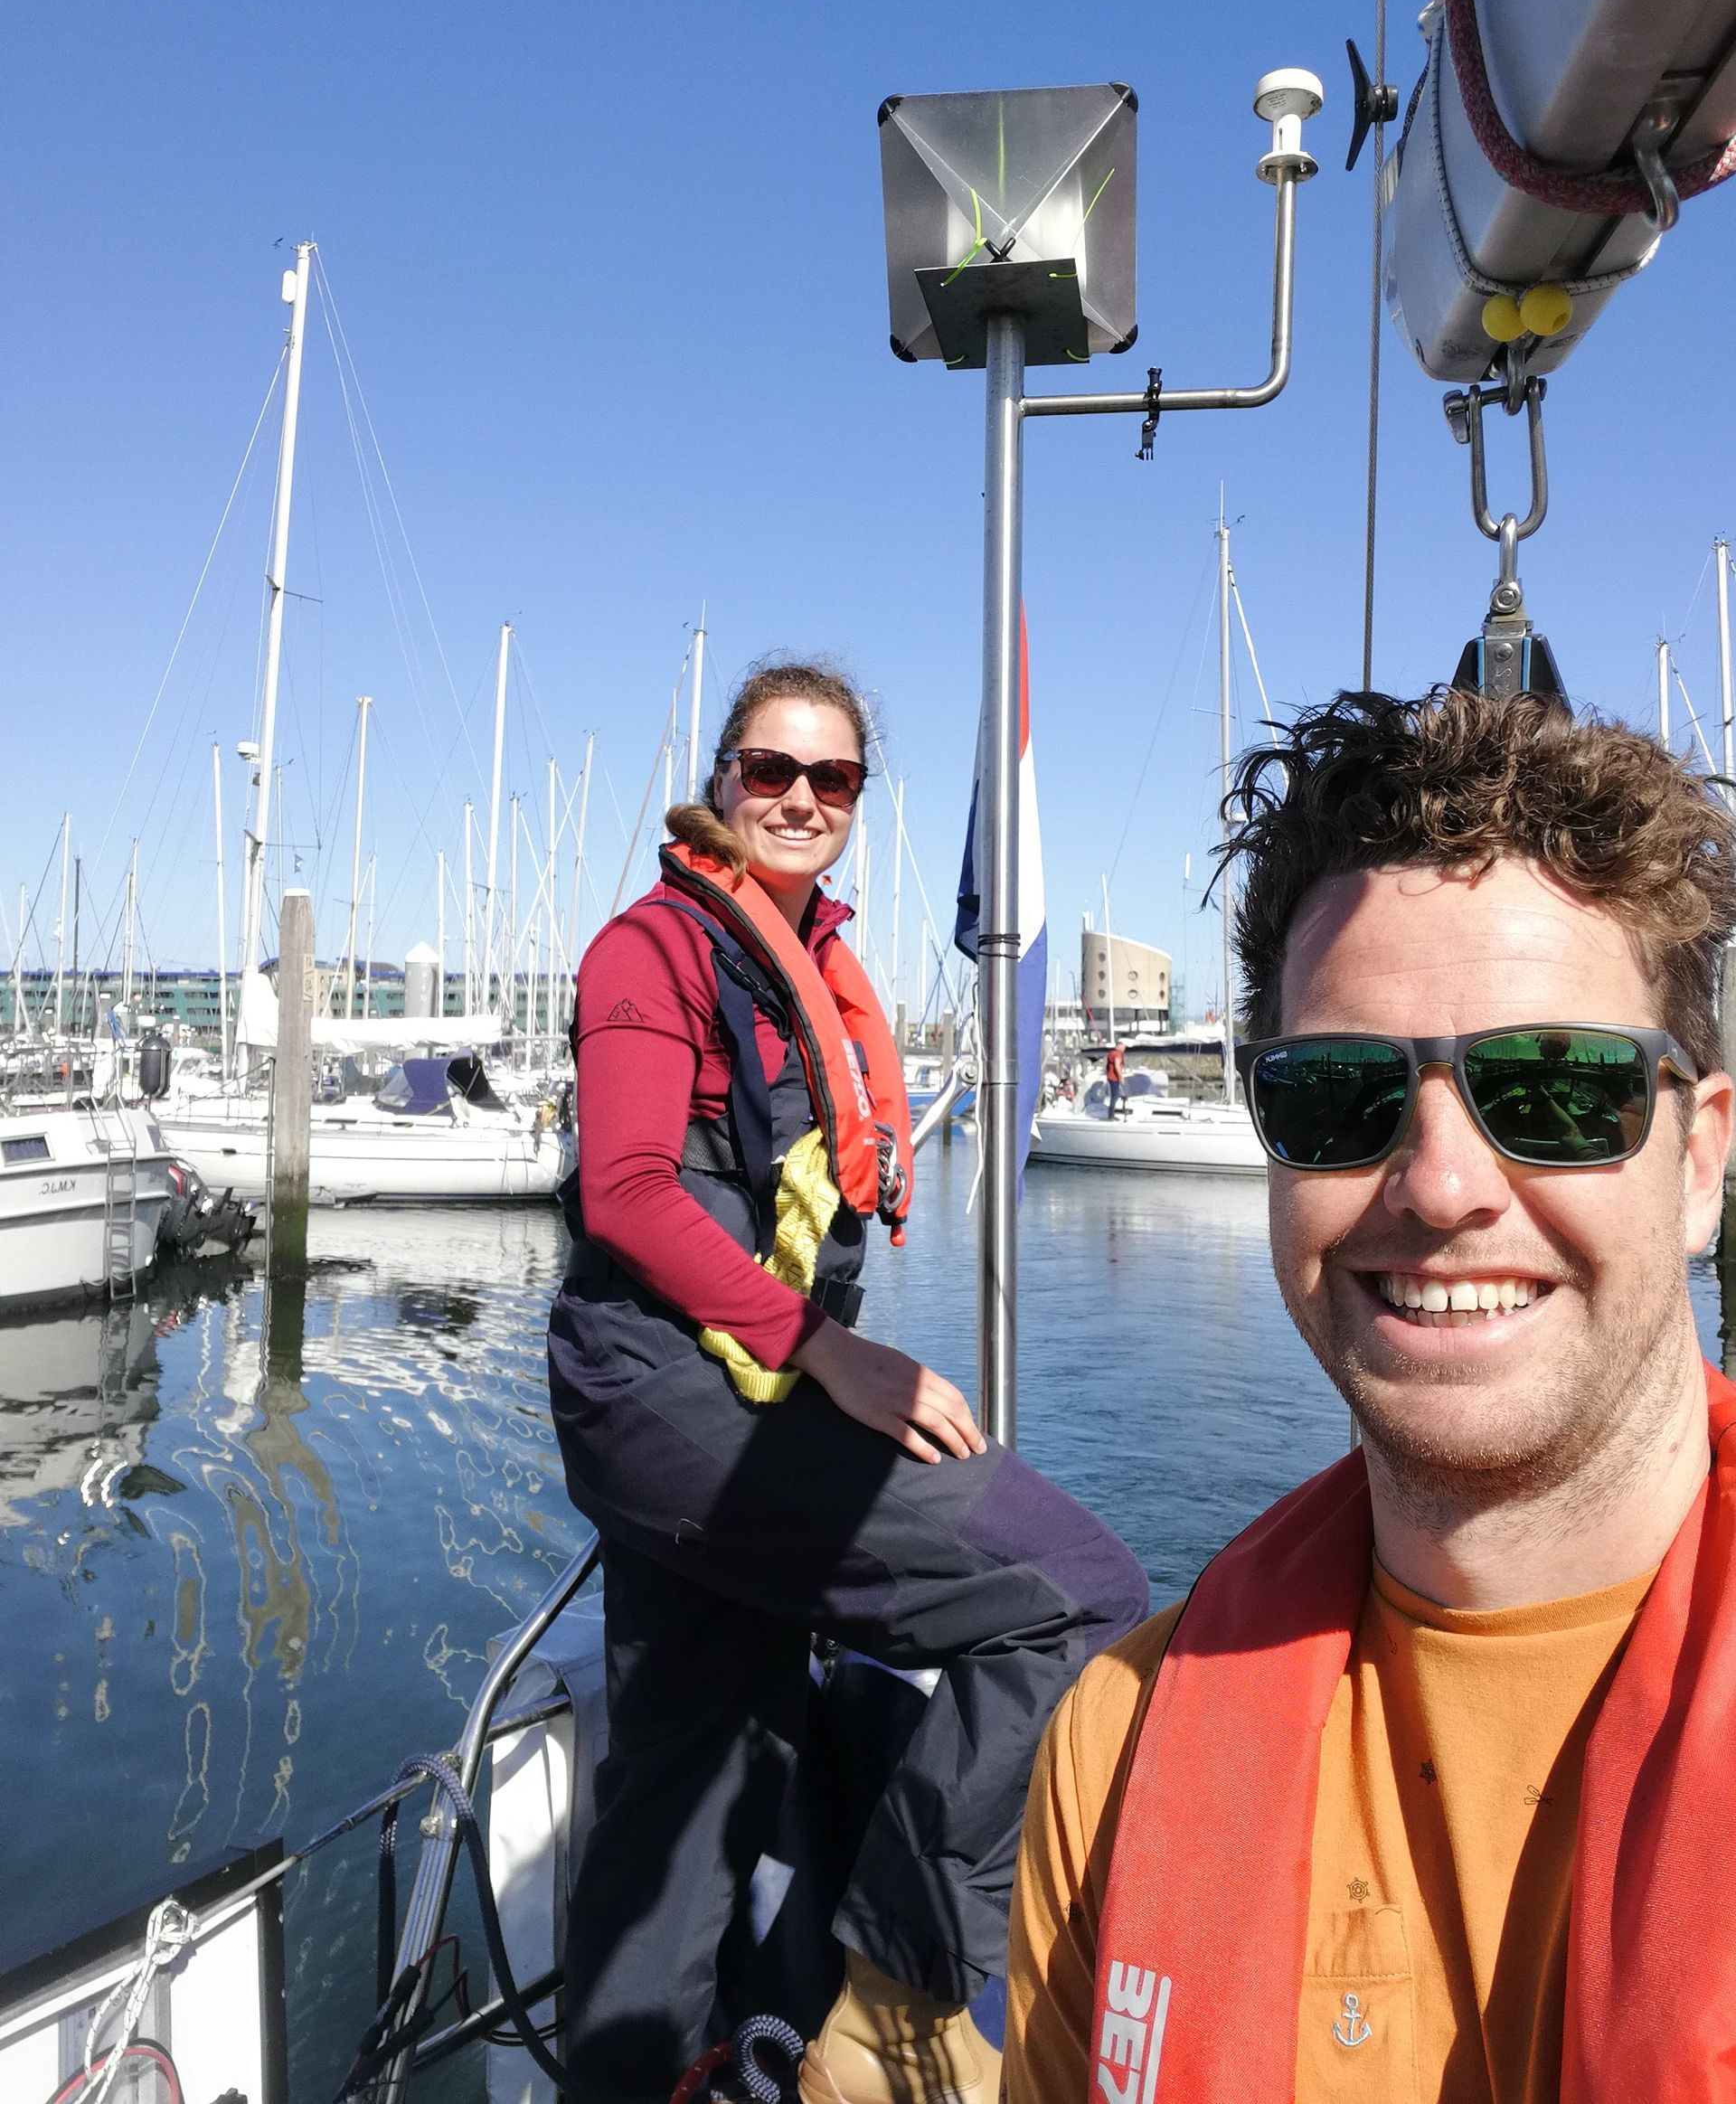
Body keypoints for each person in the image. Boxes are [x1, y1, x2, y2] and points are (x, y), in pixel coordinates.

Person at [1005, 688, 1736, 2103]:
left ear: (1700, 1160)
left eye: (1558, 1089)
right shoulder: (1119, 1743)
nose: (1444, 1185)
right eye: (1342, 1095)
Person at [547, 657, 1148, 2104]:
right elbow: (629, 1195)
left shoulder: (804, 958)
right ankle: (890, 1987)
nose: (802, 800)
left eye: (835, 779)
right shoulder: (653, 953)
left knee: (694, 1758)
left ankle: (653, 2076)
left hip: (733, 1397)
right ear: (723, 776)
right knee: (1075, 1588)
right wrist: (825, 1349)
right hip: (669, 1399)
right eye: (772, 771)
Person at [1104, 1043, 1126, 1118]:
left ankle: (1111, 1114)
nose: (1124, 1048)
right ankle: (1111, 1115)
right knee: (1115, 1095)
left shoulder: (1112, 1053)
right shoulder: (1117, 1054)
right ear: (1118, 1046)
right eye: (1123, 1047)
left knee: (1115, 1095)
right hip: (1114, 1077)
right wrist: (1121, 1077)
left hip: (1111, 1077)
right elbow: (1117, 1066)